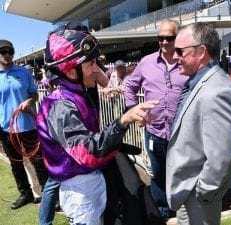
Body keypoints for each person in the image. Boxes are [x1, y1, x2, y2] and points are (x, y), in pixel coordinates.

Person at [36, 28, 158, 225]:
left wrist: (124, 122)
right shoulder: (61, 105)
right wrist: (123, 121)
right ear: (69, 69)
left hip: (91, 181)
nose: (97, 69)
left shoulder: (76, 95)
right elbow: (87, 154)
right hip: (80, 190)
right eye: (91, 63)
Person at [165, 23, 231, 225]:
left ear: (201, 52)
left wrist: (203, 191)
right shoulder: (199, 81)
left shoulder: (216, 90)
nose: (174, 57)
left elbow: (221, 155)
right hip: (187, 189)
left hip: (198, 195)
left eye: (180, 51)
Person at [124, 19, 188, 220]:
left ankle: (182, 211)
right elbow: (129, 86)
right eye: (160, 38)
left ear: (177, 37)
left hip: (182, 133)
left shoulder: (187, 61)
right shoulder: (146, 62)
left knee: (181, 174)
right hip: (155, 132)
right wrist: (134, 110)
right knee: (158, 176)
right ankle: (160, 213)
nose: (164, 42)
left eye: (169, 37)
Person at [0, 39, 48, 210]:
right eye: (3, 51)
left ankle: (48, 195)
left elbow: (35, 94)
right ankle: (26, 194)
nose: (7, 55)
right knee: (16, 163)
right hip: (5, 128)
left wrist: (29, 100)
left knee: (38, 160)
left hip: (27, 125)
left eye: (9, 51)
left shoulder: (24, 72)